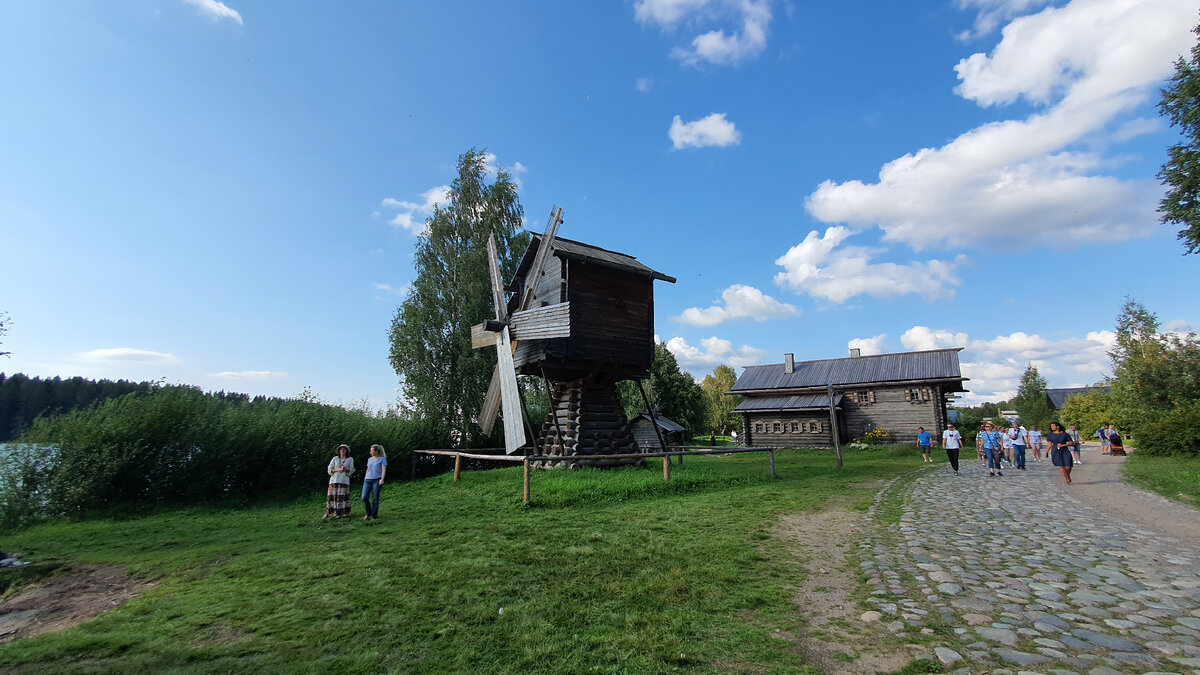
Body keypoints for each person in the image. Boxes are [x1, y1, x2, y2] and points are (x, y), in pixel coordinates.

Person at [324, 444, 355, 520]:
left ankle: (343, 513)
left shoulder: (350, 459)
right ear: (339, 451)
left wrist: (345, 469)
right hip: (334, 480)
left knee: (342, 497)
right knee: (332, 497)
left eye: (344, 449)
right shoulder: (335, 459)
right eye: (341, 449)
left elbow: (352, 470)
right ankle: (330, 513)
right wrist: (338, 470)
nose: (343, 451)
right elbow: (329, 469)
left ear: (347, 451)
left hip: (344, 481)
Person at [362, 444, 388, 521]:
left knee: (375, 498)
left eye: (372, 451)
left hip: (377, 480)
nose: (371, 452)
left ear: (376, 451)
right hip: (368, 479)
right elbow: (368, 469)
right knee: (364, 497)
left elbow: (383, 470)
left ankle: (374, 515)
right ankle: (368, 512)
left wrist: (382, 479)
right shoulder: (369, 459)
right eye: (370, 451)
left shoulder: (382, 459)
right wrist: (365, 477)